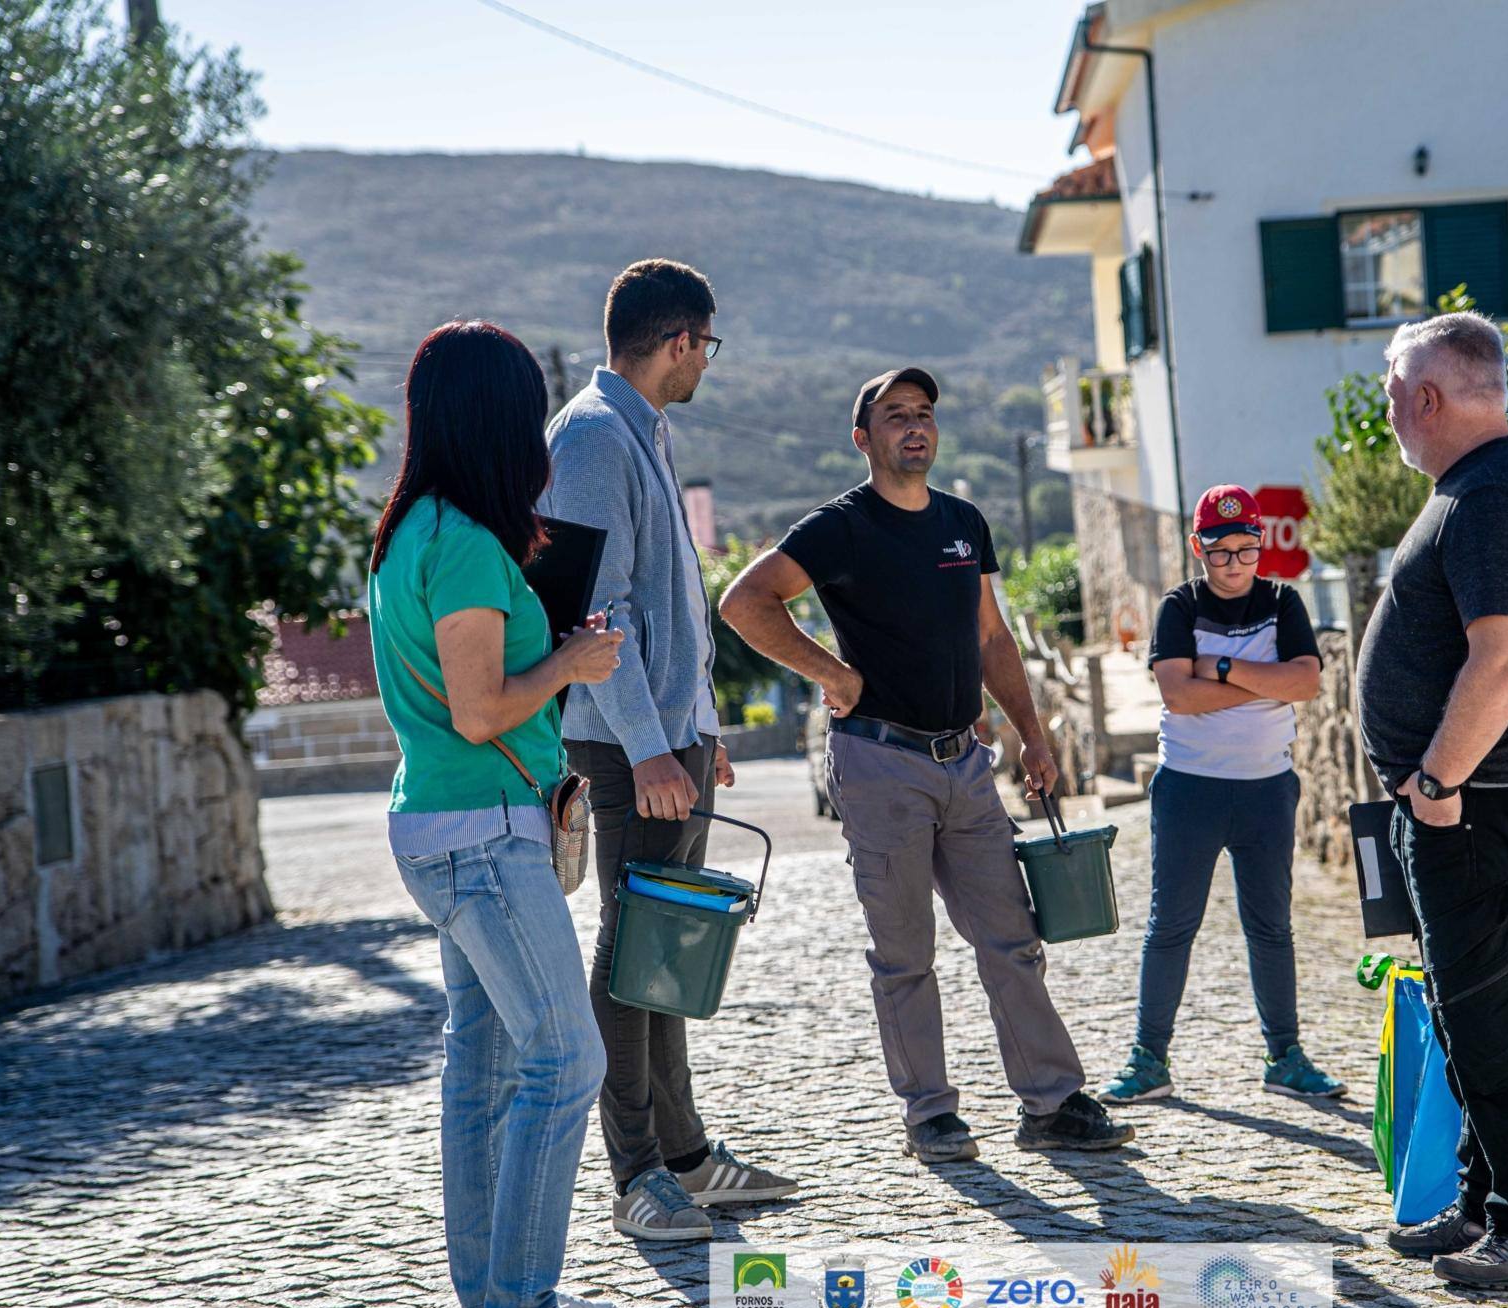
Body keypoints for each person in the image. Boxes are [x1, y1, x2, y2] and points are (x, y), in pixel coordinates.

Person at [720, 366, 1134, 1163]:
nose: (915, 426)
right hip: (880, 763)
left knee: (1011, 936)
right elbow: (744, 602)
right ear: (863, 438)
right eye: (895, 415)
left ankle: (1049, 1103)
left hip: (966, 763)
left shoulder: (962, 522)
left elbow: (991, 637)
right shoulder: (839, 527)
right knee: (904, 951)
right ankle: (931, 1113)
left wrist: (1032, 735)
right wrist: (831, 674)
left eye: (924, 413)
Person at [367, 320, 641, 1308]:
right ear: (499, 419)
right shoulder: (471, 545)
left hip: (441, 824)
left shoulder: (411, 533)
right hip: (482, 829)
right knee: (567, 1063)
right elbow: (482, 711)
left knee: (480, 1075)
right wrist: (571, 660)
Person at [542, 258, 796, 1240]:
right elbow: (593, 614)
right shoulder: (595, 439)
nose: (706, 366)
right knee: (631, 954)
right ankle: (637, 1176)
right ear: (679, 340)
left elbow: (664, 604)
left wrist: (701, 731)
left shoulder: (638, 428)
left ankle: (684, 1158)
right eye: (706, 347)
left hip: (667, 740)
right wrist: (651, 749)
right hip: (622, 749)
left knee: (666, 951)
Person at [1355, 312, 1508, 1290]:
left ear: (1424, 397)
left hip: (1481, 803)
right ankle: (1481, 1203)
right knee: (1464, 1018)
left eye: (1388, 393)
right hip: (1462, 804)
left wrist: (1436, 784)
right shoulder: (1476, 489)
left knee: (1497, 1023)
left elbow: (1502, 662)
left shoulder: (1492, 498)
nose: (1386, 414)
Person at [1101, 484, 1346, 1106]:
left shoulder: (1284, 601)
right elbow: (1178, 696)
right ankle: (1149, 1058)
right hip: (1190, 791)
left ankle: (1285, 1057)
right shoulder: (1178, 608)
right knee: (1170, 927)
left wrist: (1225, 669)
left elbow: (1309, 683)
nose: (1235, 563)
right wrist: (1270, 685)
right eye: (1221, 551)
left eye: (1247, 549)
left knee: (1272, 929)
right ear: (1197, 548)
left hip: (1267, 790)